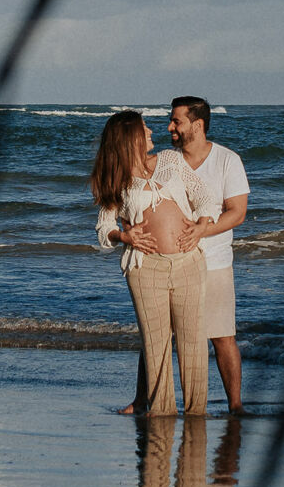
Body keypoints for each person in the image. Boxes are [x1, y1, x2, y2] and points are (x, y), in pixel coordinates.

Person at [92, 110, 219, 416]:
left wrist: (201, 227)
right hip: (145, 268)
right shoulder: (118, 181)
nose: (151, 130)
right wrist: (126, 236)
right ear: (130, 137)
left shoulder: (171, 161)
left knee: (193, 345)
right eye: (143, 127)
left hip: (188, 262)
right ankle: (160, 415)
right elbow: (103, 228)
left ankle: (196, 413)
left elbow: (204, 197)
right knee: (156, 346)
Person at [167, 96, 250, 413]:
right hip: (173, 264)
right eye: (172, 120)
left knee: (222, 336)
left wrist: (202, 231)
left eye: (177, 121)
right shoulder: (168, 162)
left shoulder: (227, 161)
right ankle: (151, 400)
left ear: (197, 125)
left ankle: (236, 404)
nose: (170, 126)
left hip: (214, 263)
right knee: (165, 339)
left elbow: (237, 213)